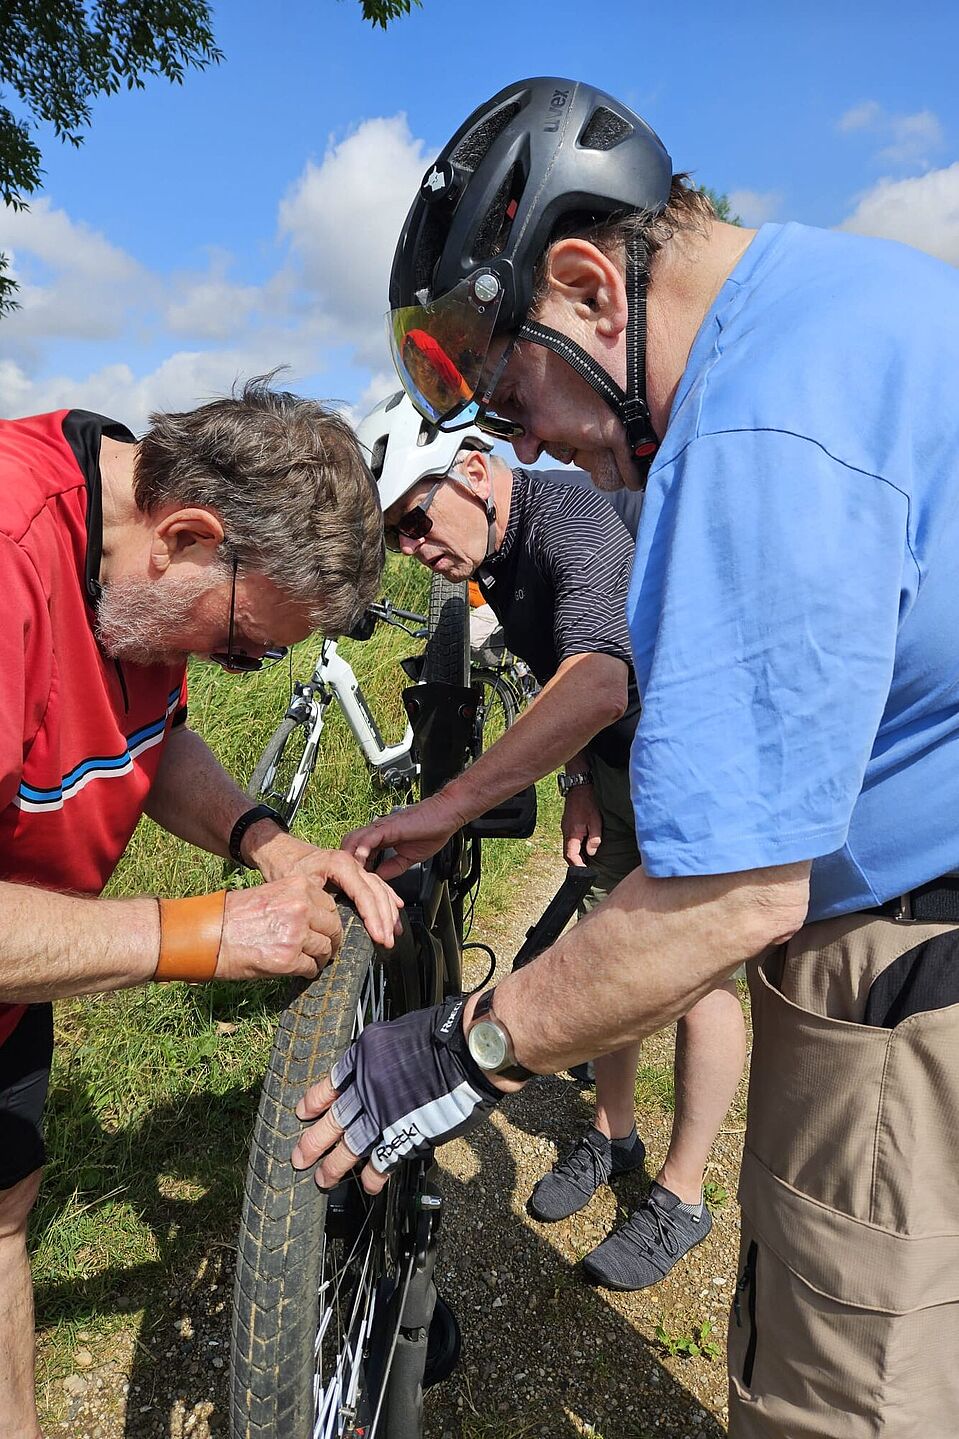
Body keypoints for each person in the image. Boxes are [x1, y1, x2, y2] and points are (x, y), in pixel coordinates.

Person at [293, 78, 959, 1439]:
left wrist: (461, 1050)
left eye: (507, 380)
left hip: (904, 964)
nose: (519, 434)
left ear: (589, 284)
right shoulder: (848, 304)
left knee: (845, 1387)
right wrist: (472, 800)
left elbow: (730, 895)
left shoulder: (757, 415)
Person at [0, 380, 402, 1439]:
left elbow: (155, 740)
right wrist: (196, 932)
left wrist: (268, 841)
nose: (216, 669)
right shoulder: (10, 557)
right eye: (239, 647)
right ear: (183, 535)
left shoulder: (139, 586)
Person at [353, 390, 746, 1287]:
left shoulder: (568, 517)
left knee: (694, 973)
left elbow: (599, 680)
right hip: (614, 761)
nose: (416, 549)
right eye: (397, 539)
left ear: (478, 470)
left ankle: (681, 1195)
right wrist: (573, 781)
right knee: (610, 936)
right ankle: (612, 1133)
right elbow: (555, 672)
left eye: (416, 517)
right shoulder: (495, 554)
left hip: (697, 752)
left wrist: (446, 806)